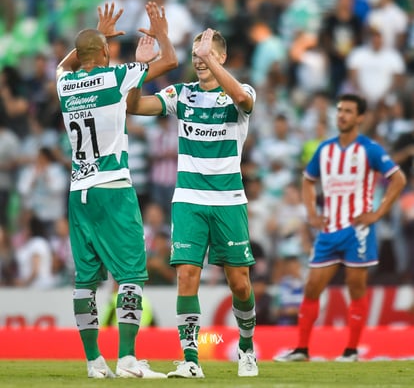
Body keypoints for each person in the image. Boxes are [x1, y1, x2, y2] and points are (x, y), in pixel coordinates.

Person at [55, 2, 177, 379]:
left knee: (85, 280)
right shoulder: (115, 78)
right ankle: (126, 359)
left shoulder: (65, 84)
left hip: (79, 192)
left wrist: (98, 34)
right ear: (106, 53)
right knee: (131, 275)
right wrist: (160, 32)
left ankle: (94, 362)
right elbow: (170, 61)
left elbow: (65, 63)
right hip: (113, 188)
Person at [129, 28, 259, 378]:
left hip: (229, 201)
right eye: (195, 56)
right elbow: (134, 106)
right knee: (186, 275)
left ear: (222, 57)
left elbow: (242, 100)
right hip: (188, 199)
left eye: (206, 54)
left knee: (240, 284)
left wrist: (211, 61)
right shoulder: (181, 94)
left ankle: (247, 349)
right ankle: (190, 359)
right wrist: (141, 71)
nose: (198, 60)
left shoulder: (241, 93)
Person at [275, 93, 406, 363]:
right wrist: (312, 213)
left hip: (357, 230)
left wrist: (378, 213)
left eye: (348, 111)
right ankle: (301, 349)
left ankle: (352, 350)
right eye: (339, 110)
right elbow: (308, 180)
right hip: (329, 229)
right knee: (312, 286)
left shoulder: (370, 149)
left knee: (355, 288)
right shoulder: (325, 150)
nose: (341, 115)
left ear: (360, 117)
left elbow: (399, 179)